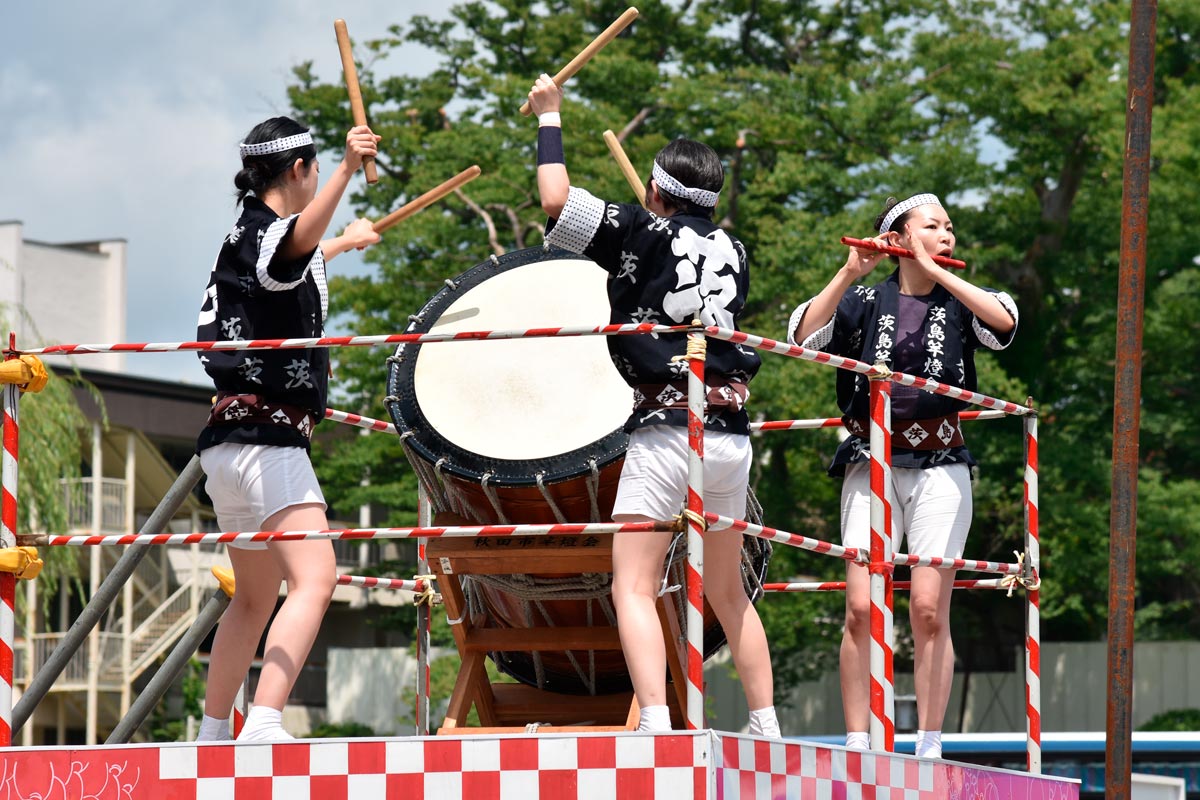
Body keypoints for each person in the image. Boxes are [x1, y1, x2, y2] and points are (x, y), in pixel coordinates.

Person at [527, 75, 778, 737]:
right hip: (729, 432)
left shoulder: (640, 227)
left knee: (632, 583)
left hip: (667, 428)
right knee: (727, 592)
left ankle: (658, 722)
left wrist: (550, 115)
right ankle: (765, 722)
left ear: (657, 191)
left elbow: (554, 200)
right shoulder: (735, 249)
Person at [788, 193, 1018, 758]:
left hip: (942, 461)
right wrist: (848, 271)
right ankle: (858, 738)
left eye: (950, 227)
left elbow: (1005, 321)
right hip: (872, 459)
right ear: (897, 239)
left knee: (926, 606)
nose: (947, 234)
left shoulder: (962, 300)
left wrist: (936, 269)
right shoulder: (864, 300)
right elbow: (800, 337)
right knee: (863, 606)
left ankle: (931, 741)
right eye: (933, 227)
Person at [193, 117, 381, 742]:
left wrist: (344, 242)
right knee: (317, 578)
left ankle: (214, 729)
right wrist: (352, 172)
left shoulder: (241, 236)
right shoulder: (269, 237)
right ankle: (265, 719)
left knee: (253, 597)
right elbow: (289, 254)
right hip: (270, 442)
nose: (323, 176)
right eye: (321, 168)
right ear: (299, 170)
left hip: (226, 444)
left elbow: (286, 267)